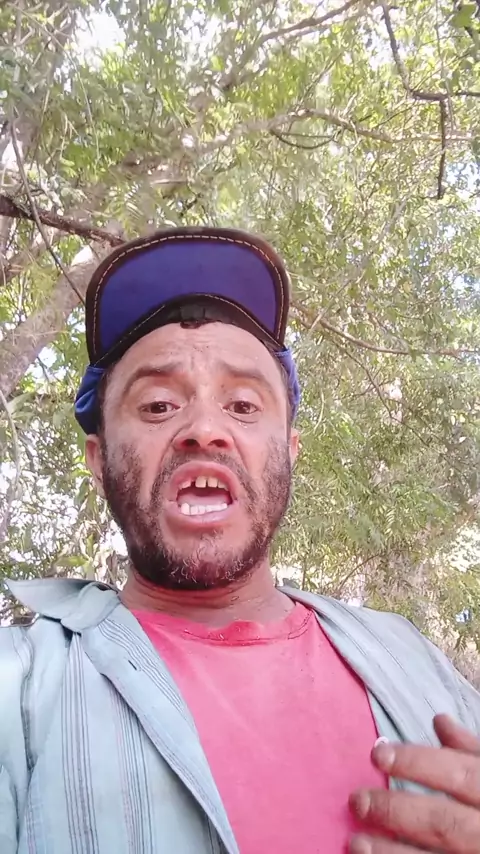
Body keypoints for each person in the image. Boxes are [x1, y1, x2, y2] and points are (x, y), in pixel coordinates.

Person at [1, 226, 480, 854]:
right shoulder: (19, 687)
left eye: (245, 406)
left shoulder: (412, 656)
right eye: (157, 405)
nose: (204, 428)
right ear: (99, 460)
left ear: (289, 451)